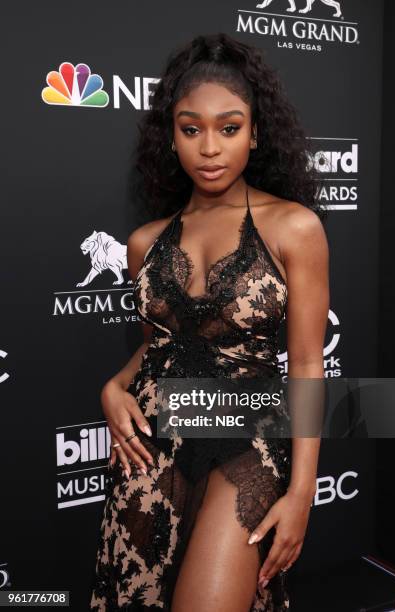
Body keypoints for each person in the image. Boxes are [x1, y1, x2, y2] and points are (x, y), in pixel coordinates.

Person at [90, 32, 329, 612]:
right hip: (151, 446)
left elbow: (305, 364)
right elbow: (157, 348)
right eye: (191, 128)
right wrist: (113, 387)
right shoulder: (145, 243)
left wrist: (301, 493)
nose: (210, 148)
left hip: (245, 439)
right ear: (171, 138)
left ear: (255, 132)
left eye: (229, 127)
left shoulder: (293, 227)